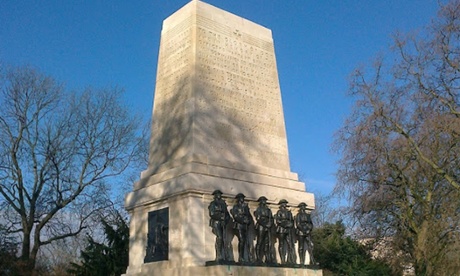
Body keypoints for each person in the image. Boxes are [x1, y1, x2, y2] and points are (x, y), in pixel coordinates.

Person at [208, 189, 230, 261]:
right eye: (218, 194)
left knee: (224, 238)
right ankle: (218, 255)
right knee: (219, 237)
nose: (219, 195)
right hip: (216, 222)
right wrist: (221, 217)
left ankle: (224, 255)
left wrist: (225, 220)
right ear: (215, 196)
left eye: (220, 194)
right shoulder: (213, 204)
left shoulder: (223, 204)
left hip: (222, 223)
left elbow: (227, 215)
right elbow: (212, 214)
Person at [230, 193, 253, 263]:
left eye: (243, 197)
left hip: (245, 226)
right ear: (238, 199)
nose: (243, 199)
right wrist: (243, 220)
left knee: (246, 241)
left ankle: (247, 257)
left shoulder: (246, 207)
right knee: (242, 240)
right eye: (241, 198)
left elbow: (249, 216)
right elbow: (235, 216)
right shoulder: (236, 207)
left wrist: (248, 221)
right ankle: (241, 257)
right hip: (239, 225)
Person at [253, 196, 274, 264]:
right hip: (261, 226)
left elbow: (271, 218)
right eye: (263, 200)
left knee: (267, 243)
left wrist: (270, 224)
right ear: (261, 201)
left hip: (267, 227)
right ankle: (258, 258)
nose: (265, 201)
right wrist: (265, 224)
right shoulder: (259, 209)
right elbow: (258, 219)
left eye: (265, 200)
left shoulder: (268, 210)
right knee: (260, 241)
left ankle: (268, 258)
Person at [275, 199, 296, 265]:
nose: (285, 204)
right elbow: (278, 221)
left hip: (288, 229)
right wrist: (285, 224)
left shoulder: (289, 212)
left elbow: (292, 221)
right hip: (281, 228)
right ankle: (282, 260)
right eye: (284, 203)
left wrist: (290, 224)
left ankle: (289, 259)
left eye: (285, 203)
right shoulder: (279, 212)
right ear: (281, 204)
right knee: (281, 244)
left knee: (290, 244)